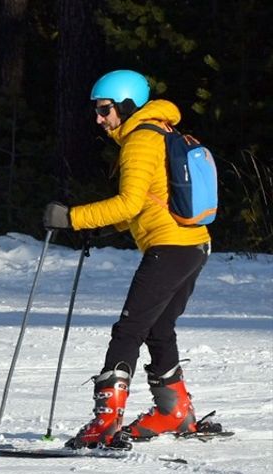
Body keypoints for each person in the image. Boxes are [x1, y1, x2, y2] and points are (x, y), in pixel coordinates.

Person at [43, 69, 212, 449]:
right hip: (193, 245)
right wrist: (99, 227)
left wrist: (70, 218)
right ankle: (174, 412)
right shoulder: (162, 132)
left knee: (129, 330)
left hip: (170, 247)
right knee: (158, 327)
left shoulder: (139, 140)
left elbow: (129, 202)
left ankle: (106, 423)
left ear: (126, 105)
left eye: (104, 110)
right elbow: (146, 203)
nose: (99, 119)